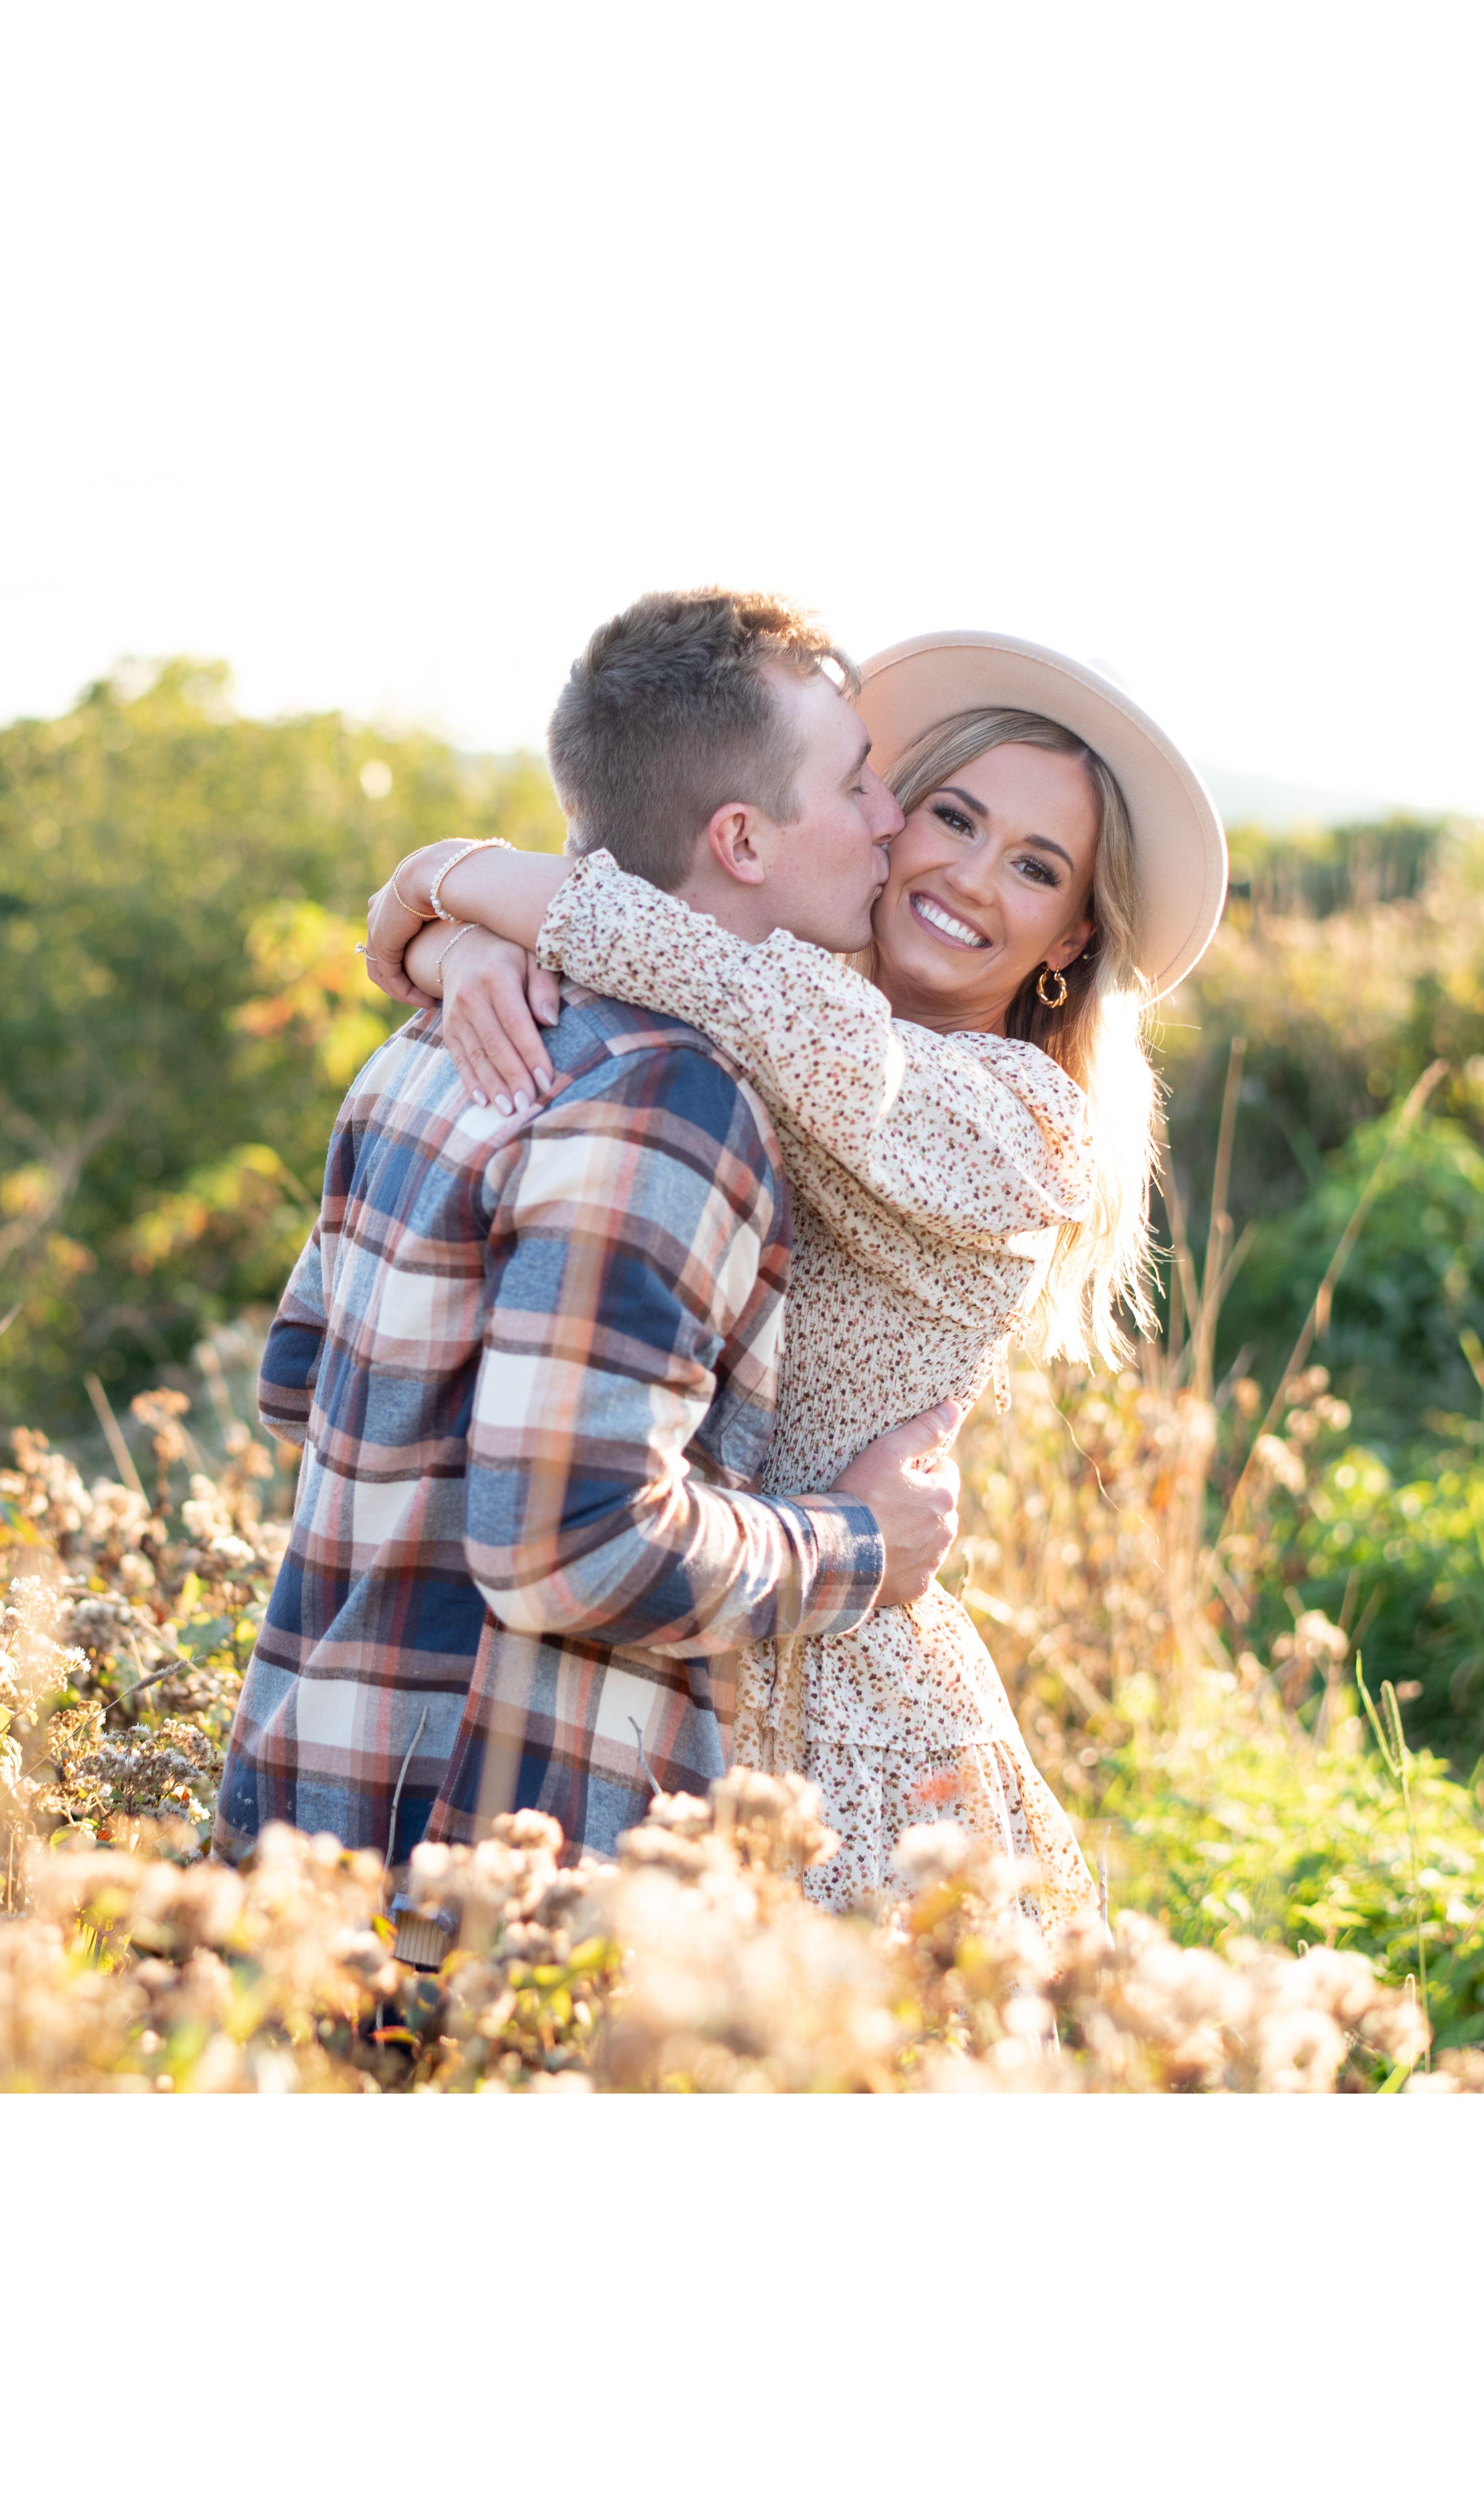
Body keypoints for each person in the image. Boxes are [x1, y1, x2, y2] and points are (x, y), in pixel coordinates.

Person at [364, 631, 1226, 1929]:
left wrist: (452, 882)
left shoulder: (1015, 1122)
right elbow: (681, 963)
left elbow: (727, 984)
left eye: (1035, 866)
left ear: (1068, 937)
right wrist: (464, 955)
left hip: (834, 1682)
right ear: (889, 819)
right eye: (953, 817)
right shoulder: (776, 1002)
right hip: (656, 1613)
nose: (972, 875)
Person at [213, 591, 971, 1954]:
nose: (888, 818)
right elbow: (571, 1551)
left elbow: (296, 1386)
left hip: (300, 1806)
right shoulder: (671, 1102)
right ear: (739, 839)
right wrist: (864, 1542)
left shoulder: (435, 1037)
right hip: (494, 1876)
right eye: (855, 782)